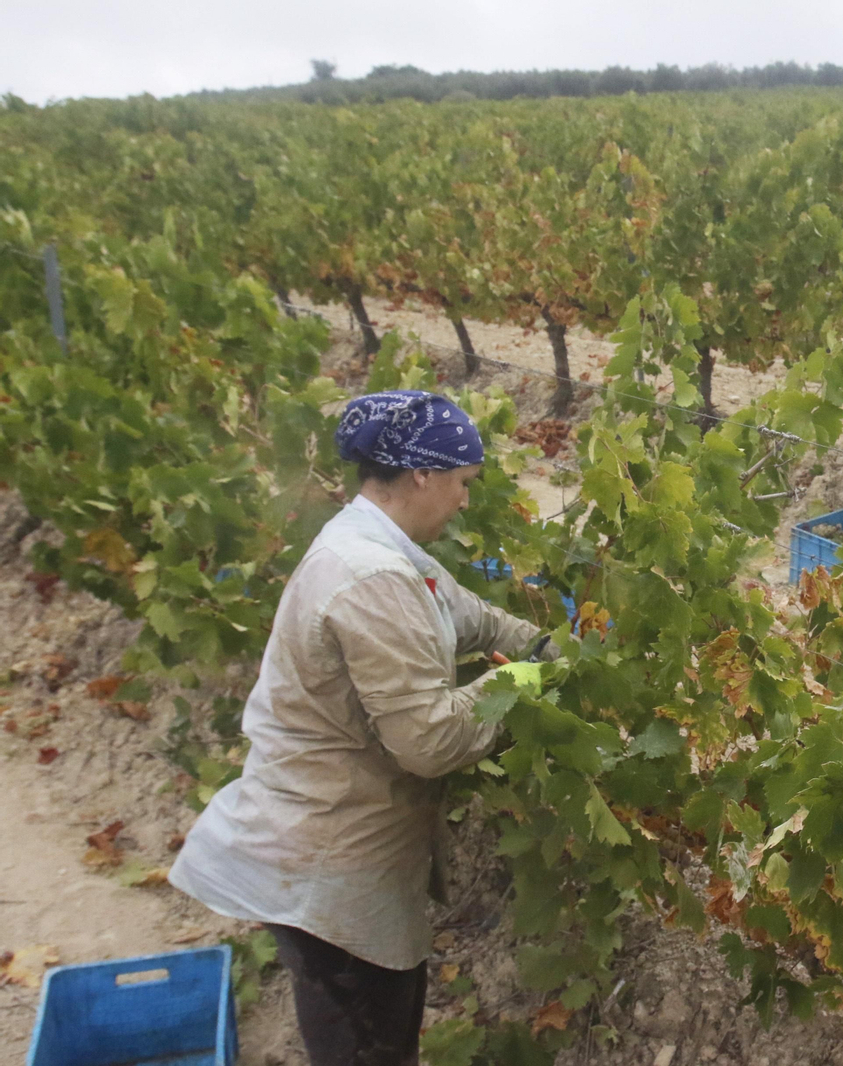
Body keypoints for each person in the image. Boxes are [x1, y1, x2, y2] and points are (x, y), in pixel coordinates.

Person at [170, 390, 556, 1066]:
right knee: (366, 1047)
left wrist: (547, 647)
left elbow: (470, 617)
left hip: (342, 848)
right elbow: (430, 741)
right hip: (331, 865)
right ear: (423, 476)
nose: (467, 500)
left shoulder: (381, 546)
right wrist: (527, 684)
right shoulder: (370, 576)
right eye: (463, 483)